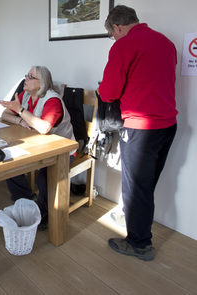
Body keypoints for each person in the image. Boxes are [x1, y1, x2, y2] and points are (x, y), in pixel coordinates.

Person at [99, 5, 178, 261]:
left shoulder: (123, 46)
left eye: (112, 34)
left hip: (141, 128)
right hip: (168, 124)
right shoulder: (166, 42)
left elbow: (109, 93)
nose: (114, 38)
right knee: (146, 183)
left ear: (117, 27)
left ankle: (139, 243)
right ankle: (135, 218)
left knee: (135, 187)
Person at [0, 66, 76, 230]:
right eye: (26, 75)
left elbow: (44, 128)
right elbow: (4, 115)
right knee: (7, 163)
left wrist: (19, 110)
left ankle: (46, 214)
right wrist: (20, 121)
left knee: (45, 178)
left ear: (42, 83)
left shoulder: (52, 100)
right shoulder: (25, 95)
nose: (25, 79)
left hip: (62, 151)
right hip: (37, 145)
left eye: (30, 77)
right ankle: (28, 200)